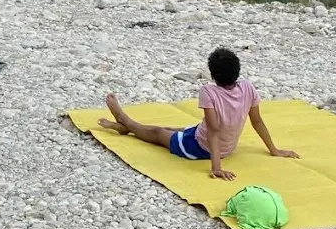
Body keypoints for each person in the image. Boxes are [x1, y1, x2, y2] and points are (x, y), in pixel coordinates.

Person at [98, 46, 299, 181]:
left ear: (212, 74)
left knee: (158, 133)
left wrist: (216, 167)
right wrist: (274, 149)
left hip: (200, 148)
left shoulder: (209, 92)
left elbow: (213, 131)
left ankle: (123, 120)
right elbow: (258, 122)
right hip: (212, 141)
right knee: (174, 129)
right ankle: (125, 129)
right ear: (237, 71)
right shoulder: (248, 87)